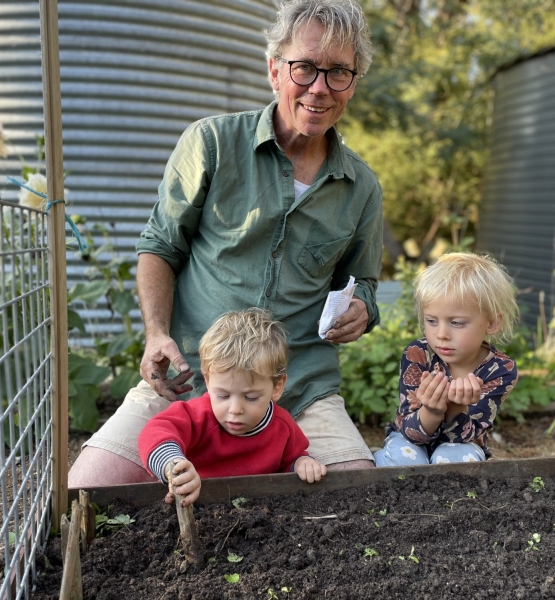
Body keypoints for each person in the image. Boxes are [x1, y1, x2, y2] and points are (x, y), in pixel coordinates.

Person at [69, 0, 383, 488]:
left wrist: (362, 305)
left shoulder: (360, 186)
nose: (320, 87)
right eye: (305, 68)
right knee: (87, 489)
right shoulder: (211, 143)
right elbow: (159, 247)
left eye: (338, 72)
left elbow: (362, 281)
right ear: (275, 69)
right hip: (193, 380)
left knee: (357, 492)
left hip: (298, 390)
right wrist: (156, 335)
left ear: (353, 83)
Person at [138, 308, 327, 506]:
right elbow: (154, 434)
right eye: (223, 395)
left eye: (251, 397)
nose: (235, 409)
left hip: (257, 511)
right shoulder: (196, 415)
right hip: (197, 503)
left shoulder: (282, 426)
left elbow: (291, 459)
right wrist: (172, 465)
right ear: (208, 381)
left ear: (277, 387)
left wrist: (301, 464)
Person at [374, 253, 519, 467]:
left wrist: (454, 409)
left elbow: (465, 436)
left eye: (457, 323)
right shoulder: (419, 353)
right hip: (409, 438)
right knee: (403, 458)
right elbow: (412, 435)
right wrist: (431, 411)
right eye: (431, 321)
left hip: (463, 443)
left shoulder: (499, 370)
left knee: (458, 462)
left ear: (491, 323)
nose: (441, 334)